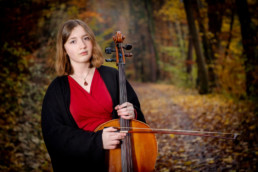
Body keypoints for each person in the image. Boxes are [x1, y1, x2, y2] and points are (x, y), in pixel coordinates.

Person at [41, 19, 145, 172]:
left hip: (119, 158)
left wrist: (132, 112)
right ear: (64, 49)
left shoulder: (113, 76)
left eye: (86, 38)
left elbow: (138, 116)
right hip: (81, 165)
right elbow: (55, 136)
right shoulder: (57, 89)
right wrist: (97, 141)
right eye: (73, 41)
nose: (82, 45)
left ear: (92, 41)